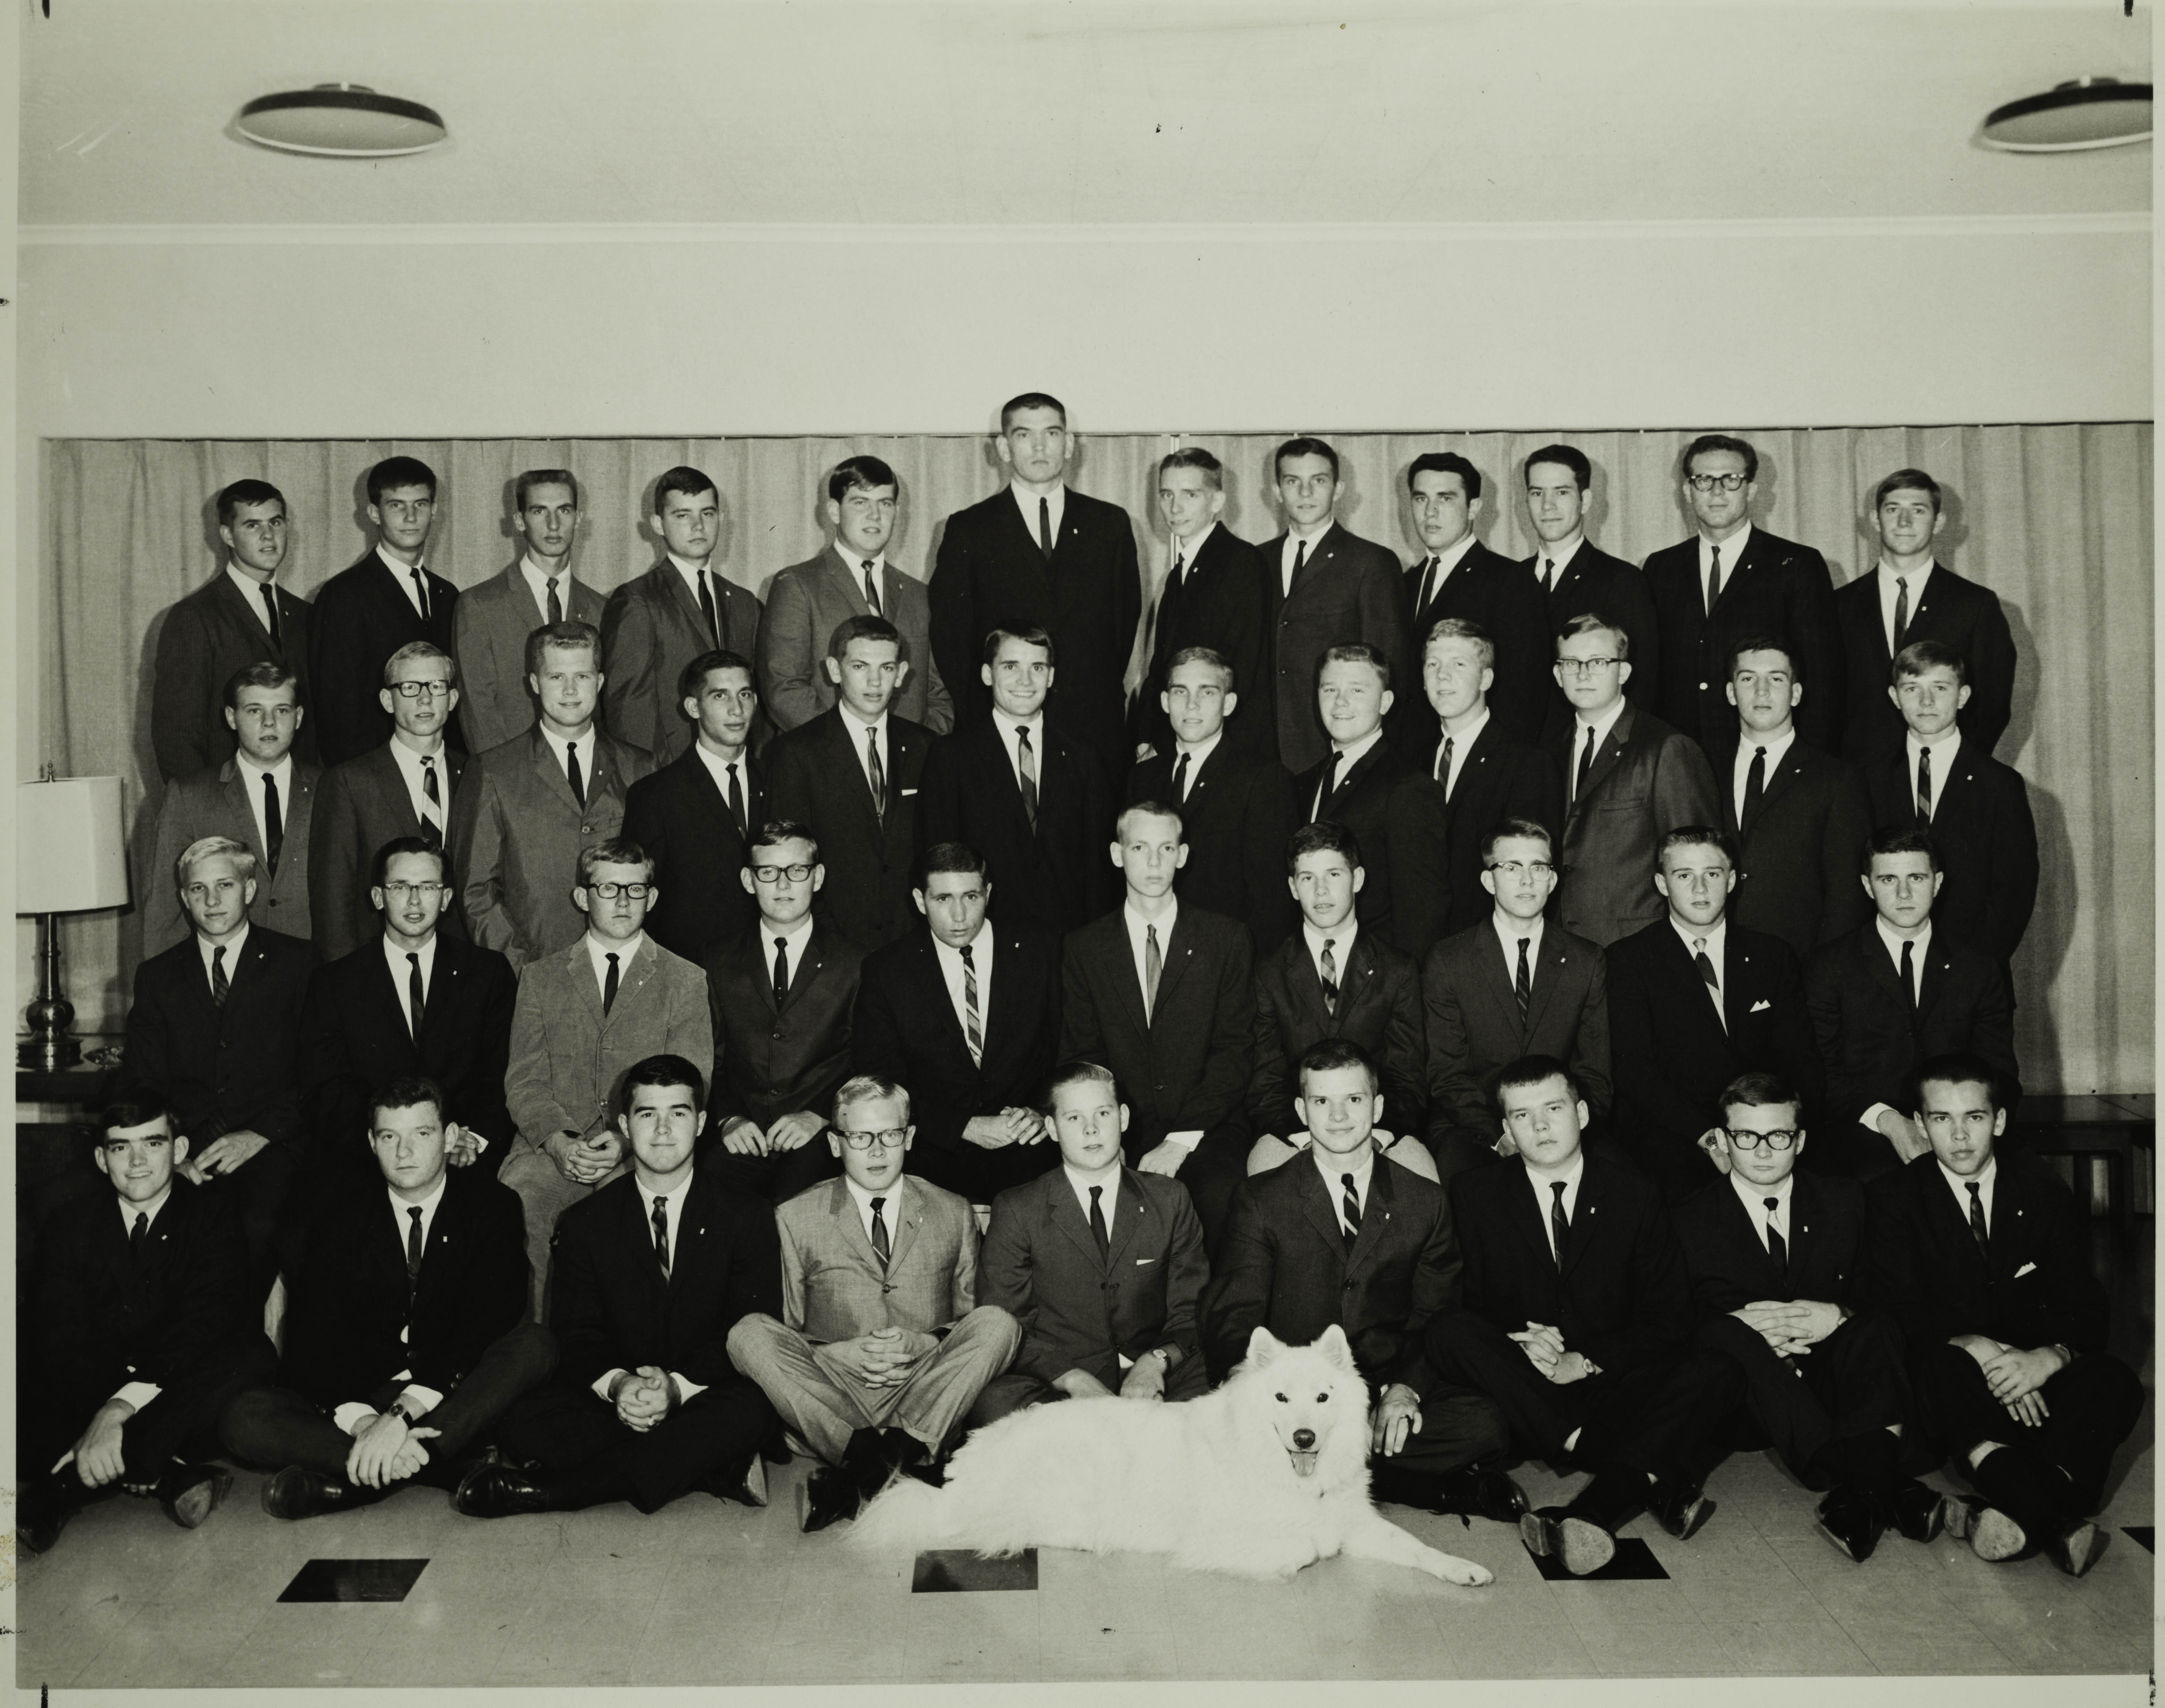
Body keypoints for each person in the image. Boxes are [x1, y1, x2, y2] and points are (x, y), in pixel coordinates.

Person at [1426, 1057, 1744, 1576]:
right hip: (1525, 1388)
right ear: (1504, 1129)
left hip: (1609, 1382)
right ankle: (1620, 1463)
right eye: (1521, 1116)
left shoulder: (1634, 1191)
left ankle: (1588, 1511)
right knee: (1448, 1332)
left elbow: (1668, 1317)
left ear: (1580, 1112)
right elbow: (1464, 1306)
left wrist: (1587, 1360)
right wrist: (1519, 1340)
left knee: (1720, 1370)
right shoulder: (1473, 1194)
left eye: (1552, 1109)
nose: (1540, 1126)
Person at [1202, 1040, 1523, 1523]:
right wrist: (1252, 1391)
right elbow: (1236, 1312)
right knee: (1228, 1422)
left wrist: (1404, 1391)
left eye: (1352, 1100)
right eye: (1321, 1101)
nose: (1337, 1117)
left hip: (1380, 1383)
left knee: (1487, 1424)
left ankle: (1316, 1473)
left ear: (1376, 1106)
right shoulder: (1260, 1199)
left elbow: (1435, 1315)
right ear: (1300, 1110)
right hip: (1295, 1394)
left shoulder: (1424, 1202)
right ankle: (1428, 1489)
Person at [460, 1056, 783, 1518]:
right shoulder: (584, 1223)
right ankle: (708, 1469)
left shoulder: (746, 1215)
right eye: (648, 1114)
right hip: (619, 1403)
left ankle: (558, 1491)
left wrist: (675, 1388)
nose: (664, 1129)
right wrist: (622, 1386)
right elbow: (575, 1337)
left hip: (702, 1393)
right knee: (524, 1416)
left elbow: (752, 1325)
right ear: (625, 1126)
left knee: (753, 1408)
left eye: (679, 1112)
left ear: (702, 1123)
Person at [220, 1077, 554, 1518]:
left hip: (448, 1392)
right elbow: (311, 1337)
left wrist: (399, 1419)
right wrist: (365, 1424)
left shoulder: (493, 1205)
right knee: (244, 1417)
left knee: (535, 1345)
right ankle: (430, 1465)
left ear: (450, 1138)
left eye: (421, 1134)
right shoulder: (339, 1215)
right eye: (389, 1137)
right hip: (368, 1390)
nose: (404, 1152)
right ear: (371, 1144)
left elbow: (483, 1325)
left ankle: (360, 1480)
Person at [1869, 1055, 2145, 1576]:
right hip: (1957, 1382)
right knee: (1941, 1367)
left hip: (2032, 1376)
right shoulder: (1892, 1200)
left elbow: (2082, 1301)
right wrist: (1974, 1345)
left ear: (1997, 1120)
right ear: (1920, 1123)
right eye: (1939, 1119)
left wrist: (2049, 1356)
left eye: (1972, 1117)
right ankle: (2056, 1519)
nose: (1957, 1136)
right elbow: (1894, 1310)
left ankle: (2012, 1502)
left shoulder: (2041, 1191)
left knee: (2113, 1380)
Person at [727, 1074, 1022, 1532]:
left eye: (889, 1135)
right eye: (860, 1137)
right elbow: (786, 1326)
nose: (877, 1151)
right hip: (837, 1390)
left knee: (1000, 1324)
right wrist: (832, 1352)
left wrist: (923, 1345)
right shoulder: (794, 1215)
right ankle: (895, 1456)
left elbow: (970, 1319)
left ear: (909, 1138)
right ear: (834, 1144)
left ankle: (864, 1468)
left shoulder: (952, 1209)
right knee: (747, 1334)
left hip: (924, 1385)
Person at [1672, 1073, 1944, 1564]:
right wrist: (1746, 1336)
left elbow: (1891, 1297)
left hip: (1829, 1383)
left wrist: (1837, 1314)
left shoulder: (1848, 1201)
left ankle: (1861, 1492)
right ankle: (1878, 1483)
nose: (1761, 1151)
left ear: (1798, 1140)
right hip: (1749, 1404)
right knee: (1719, 1331)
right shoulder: (1685, 1219)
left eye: (1777, 1136)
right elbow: (1671, 1322)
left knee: (1876, 1327)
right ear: (1721, 1139)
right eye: (1744, 1137)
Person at [17, 1093, 278, 1555]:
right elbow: (60, 1338)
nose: (137, 1162)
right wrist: (105, 1409)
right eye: (121, 1148)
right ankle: (162, 1468)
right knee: (26, 1388)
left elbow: (201, 1329)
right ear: (101, 1159)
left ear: (178, 1152)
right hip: (94, 1387)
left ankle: (65, 1488)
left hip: (171, 1381)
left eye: (152, 1144)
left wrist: (118, 1413)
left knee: (248, 1357)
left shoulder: (213, 1216)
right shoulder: (67, 1224)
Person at [499, 836, 713, 1313]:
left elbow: (691, 1081)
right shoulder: (541, 977)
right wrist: (558, 1142)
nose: (621, 901)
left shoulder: (685, 980)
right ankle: (531, 1347)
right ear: (582, 897)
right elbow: (524, 1080)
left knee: (632, 1224)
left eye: (635, 890)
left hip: (641, 1149)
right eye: (607, 889)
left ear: (652, 899)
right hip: (552, 1148)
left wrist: (624, 1142)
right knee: (519, 1205)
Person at [1061, 802, 1256, 1250]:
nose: (1153, 862)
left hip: (1207, 1126)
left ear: (1182, 855)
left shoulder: (1224, 940)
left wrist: (1179, 1141)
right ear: (1116, 854)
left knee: (1216, 1196)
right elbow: (1082, 1055)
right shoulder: (1085, 947)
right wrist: (1110, 1132)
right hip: (1121, 1127)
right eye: (1139, 847)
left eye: (1165, 848)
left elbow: (1234, 1052)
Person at [121, 836, 312, 1294]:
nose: (211, 901)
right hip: (188, 1149)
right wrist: (170, 1153)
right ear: (183, 897)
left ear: (248, 889)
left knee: (255, 1226)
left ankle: (238, 1352)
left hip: (270, 1144)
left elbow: (317, 1073)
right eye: (197, 889)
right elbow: (143, 1081)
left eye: (224, 885)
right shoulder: (158, 976)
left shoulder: (298, 963)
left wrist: (260, 1135)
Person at [972, 1060, 1211, 1424]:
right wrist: (1072, 1379)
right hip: (1060, 1380)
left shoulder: (1170, 1198)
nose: (1091, 1129)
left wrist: (1155, 1363)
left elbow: (1190, 1308)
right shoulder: (1018, 1208)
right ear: (1052, 1128)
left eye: (1103, 1112)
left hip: (1152, 1373)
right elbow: (1007, 1322)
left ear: (1124, 1117)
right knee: (995, 1404)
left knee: (1221, 1389)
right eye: (1073, 1118)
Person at [1604, 829, 1822, 1203]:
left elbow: (1800, 1059)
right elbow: (1635, 1071)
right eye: (1684, 875)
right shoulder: (1629, 960)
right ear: (1661, 883)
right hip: (1678, 1129)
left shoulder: (1772, 955)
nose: (1701, 889)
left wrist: (1773, 1132)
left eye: (1713, 874)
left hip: (1766, 1123)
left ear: (1733, 880)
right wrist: (1707, 1137)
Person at [927, 391, 1142, 767]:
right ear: (1004, 447)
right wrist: (985, 712)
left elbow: (1123, 626)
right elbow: (952, 637)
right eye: (1025, 435)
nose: (1040, 446)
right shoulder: (969, 529)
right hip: (1001, 726)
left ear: (1070, 443)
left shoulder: (1109, 525)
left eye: (1052, 434)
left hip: (1092, 730)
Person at [853, 842, 1062, 1207]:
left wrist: (1043, 1111)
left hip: (1032, 1148)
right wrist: (964, 1126)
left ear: (989, 893)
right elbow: (881, 1079)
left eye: (970, 896)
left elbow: (1066, 1048)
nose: (960, 915)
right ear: (920, 901)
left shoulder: (1042, 953)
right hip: (935, 1158)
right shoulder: (887, 971)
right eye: (943, 899)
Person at [1803, 830, 2021, 1179]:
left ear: (1937, 883)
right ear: (1867, 885)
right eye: (1888, 879)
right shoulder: (1829, 966)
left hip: (1960, 1129)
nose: (1903, 894)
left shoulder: (1978, 966)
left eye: (1916, 878)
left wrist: (1953, 1126)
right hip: (1864, 1128)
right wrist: (1889, 1122)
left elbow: (1999, 1071)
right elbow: (1821, 1074)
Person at [298, 837, 516, 1180]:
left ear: (446, 899)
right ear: (377, 897)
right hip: (369, 1159)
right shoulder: (335, 983)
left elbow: (501, 1074)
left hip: (463, 1155)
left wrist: (470, 1137)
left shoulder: (488, 973)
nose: (415, 901)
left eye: (428, 887)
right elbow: (327, 1090)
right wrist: (387, 1144)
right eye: (400, 886)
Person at [454, 620, 654, 972]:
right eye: (556, 677)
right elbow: (477, 891)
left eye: (583, 676)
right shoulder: (493, 771)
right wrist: (524, 972)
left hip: (628, 972)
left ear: (601, 681)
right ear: (534, 683)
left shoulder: (640, 767)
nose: (571, 690)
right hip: (534, 969)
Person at [1422, 819, 1611, 1185]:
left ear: (1552, 881)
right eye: (1512, 867)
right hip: (1477, 1127)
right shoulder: (1448, 960)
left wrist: (1557, 1127)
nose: (1527, 880)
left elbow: (1596, 1074)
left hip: (1563, 1126)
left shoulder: (1587, 960)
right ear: (1489, 881)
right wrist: (1503, 1134)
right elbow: (1447, 1075)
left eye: (1538, 868)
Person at [1641, 435, 1843, 758]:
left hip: (1765, 755)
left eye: (1731, 480)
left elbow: (1820, 676)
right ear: (1687, 491)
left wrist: (1808, 763)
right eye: (1704, 480)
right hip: (1678, 758)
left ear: (1751, 489)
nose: (1717, 491)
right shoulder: (1661, 568)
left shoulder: (1795, 565)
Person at [1247, 823, 1427, 1171]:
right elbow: (1263, 1079)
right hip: (1295, 1134)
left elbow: (1408, 1078)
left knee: (1423, 1187)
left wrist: (1374, 1135)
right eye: (1307, 878)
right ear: (1292, 887)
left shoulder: (1397, 968)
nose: (1321, 890)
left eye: (1333, 873)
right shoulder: (1268, 971)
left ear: (1357, 879)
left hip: (1378, 1131)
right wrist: (1305, 1137)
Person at [916, 624, 1116, 937]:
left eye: (1037, 667)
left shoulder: (1083, 758)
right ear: (987, 674)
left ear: (1051, 677)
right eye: (1011, 667)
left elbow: (1097, 867)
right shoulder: (951, 756)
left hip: (1067, 940)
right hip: (988, 939)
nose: (1025, 681)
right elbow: (940, 863)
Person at [702, 821, 864, 1203]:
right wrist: (729, 1118)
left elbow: (867, 1061)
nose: (783, 885)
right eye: (768, 872)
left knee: (797, 1209)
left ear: (818, 876)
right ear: (748, 879)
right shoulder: (717, 960)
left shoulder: (855, 962)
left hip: (821, 1134)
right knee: (710, 1205)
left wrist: (823, 1115)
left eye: (797, 871)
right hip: (744, 1134)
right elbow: (710, 1057)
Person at [765, 614, 939, 956]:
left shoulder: (926, 747)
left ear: (902, 673)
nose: (875, 682)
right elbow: (789, 857)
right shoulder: (797, 752)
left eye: (887, 668)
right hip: (832, 944)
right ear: (834, 669)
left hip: (911, 939)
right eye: (860, 666)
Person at [1862, 639, 2039, 970]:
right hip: (1883, 976)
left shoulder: (1999, 785)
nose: (1926, 701)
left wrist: (1972, 972)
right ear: (1894, 697)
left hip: (1972, 974)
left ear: (1963, 696)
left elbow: (2014, 892)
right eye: (1912, 688)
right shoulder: (1867, 782)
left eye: (1940, 688)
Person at [1550, 612, 1719, 948]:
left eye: (1598, 662)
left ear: (1624, 671)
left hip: (1640, 950)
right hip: (1563, 950)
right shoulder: (1550, 751)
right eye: (1571, 663)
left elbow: (1697, 868)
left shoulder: (1665, 748)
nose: (1583, 674)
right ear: (1558, 674)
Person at [759, 454, 952, 734]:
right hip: (828, 762)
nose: (875, 516)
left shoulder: (919, 594)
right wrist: (850, 752)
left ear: (897, 511)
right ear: (834, 511)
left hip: (909, 766)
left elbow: (938, 693)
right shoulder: (798, 584)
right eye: (861, 502)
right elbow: (784, 689)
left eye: (885, 503)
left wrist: (921, 750)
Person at [1835, 469, 2017, 765]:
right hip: (1857, 778)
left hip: (1942, 774)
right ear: (1874, 519)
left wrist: (1956, 767)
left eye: (1917, 511)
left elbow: (1992, 703)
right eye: (1893, 509)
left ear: (1939, 522)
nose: (1904, 522)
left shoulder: (1974, 604)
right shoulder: (1839, 605)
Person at [308, 640, 473, 964]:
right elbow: (332, 901)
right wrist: (349, 979)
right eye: (410, 687)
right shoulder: (349, 782)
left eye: (437, 686)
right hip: (376, 964)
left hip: (461, 963)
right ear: (387, 700)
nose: (425, 698)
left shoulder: (475, 774)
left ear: (452, 699)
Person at [1124, 646, 1295, 955]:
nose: (1191, 705)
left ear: (1228, 704)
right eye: (1180, 692)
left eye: (1206, 693)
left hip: (1224, 960)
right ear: (1164, 701)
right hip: (1151, 954)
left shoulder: (1261, 778)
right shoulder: (1143, 777)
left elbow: (1271, 898)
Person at [1258, 435, 1409, 775]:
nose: (1306, 493)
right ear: (1277, 491)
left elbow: (1390, 669)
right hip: (1265, 752)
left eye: (1319, 481)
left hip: (1334, 747)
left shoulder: (1370, 562)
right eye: (1293, 481)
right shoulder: (1255, 561)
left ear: (1339, 489)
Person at [1292, 644, 1452, 961]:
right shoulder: (1304, 782)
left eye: (1357, 690)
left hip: (1375, 981)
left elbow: (1421, 916)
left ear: (1386, 702)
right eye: (1330, 689)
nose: (1340, 702)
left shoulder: (1408, 787)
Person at [151, 477, 317, 782]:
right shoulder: (193, 616)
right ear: (228, 535)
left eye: (276, 523)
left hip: (301, 801)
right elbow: (176, 735)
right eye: (253, 526)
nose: (269, 537)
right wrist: (203, 813)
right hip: (226, 801)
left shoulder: (307, 615)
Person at [1717, 636, 1873, 959]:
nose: (1762, 691)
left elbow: (1847, 896)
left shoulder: (1837, 779)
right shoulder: (1704, 768)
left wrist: (1823, 977)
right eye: (1748, 678)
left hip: (1799, 965)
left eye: (1776, 678)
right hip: (1717, 961)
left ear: (1796, 693)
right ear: (1731, 693)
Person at [146, 662, 319, 953]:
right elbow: (164, 909)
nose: (269, 722)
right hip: (226, 976)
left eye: (282, 710)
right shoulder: (189, 796)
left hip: (315, 973)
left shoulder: (330, 788)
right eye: (254, 710)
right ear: (232, 717)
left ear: (298, 717)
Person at [602, 465, 764, 766]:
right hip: (670, 772)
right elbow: (628, 711)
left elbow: (757, 700)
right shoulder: (638, 600)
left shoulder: (745, 603)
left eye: (707, 513)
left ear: (721, 519)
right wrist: (651, 784)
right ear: (658, 524)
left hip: (738, 770)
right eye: (682, 515)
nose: (698, 526)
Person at [309, 456, 463, 769]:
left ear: (434, 510)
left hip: (442, 773)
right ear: (374, 513)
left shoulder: (448, 594)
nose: (410, 517)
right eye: (397, 505)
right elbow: (337, 713)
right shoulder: (343, 595)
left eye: (420, 504)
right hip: (376, 778)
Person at [1414, 618, 1564, 939]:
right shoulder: (1411, 762)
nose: (1443, 675)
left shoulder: (1527, 764)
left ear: (1486, 678)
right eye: (1433, 664)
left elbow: (1530, 881)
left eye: (1459, 664)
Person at [621, 649, 765, 965]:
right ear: (693, 707)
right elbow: (641, 900)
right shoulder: (655, 796)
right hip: (693, 974)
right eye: (719, 696)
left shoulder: (778, 781)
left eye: (745, 694)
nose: (737, 709)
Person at [1128, 447, 1269, 763]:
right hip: (1182, 741)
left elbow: (1242, 667)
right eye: (1166, 495)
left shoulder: (1241, 562)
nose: (1175, 508)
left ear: (1216, 501)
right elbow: (1161, 666)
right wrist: (1146, 736)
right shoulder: (1178, 574)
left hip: (1220, 748)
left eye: (1190, 495)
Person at [1398, 453, 1549, 746]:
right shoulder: (1403, 584)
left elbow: (1523, 691)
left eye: (1445, 499)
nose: (1430, 512)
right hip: (1411, 762)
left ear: (1474, 508)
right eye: (1420, 499)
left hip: (1479, 760)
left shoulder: (1509, 579)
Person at [453, 468, 608, 752]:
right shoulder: (480, 604)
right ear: (519, 521)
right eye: (539, 511)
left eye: (564, 510)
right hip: (511, 778)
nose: (553, 524)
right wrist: (506, 783)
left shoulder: (601, 608)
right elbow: (478, 709)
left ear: (579, 518)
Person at [1519, 445, 1659, 737]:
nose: (1547, 505)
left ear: (1585, 500)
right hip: (1517, 754)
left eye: (1561, 492)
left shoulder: (1622, 580)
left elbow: (1641, 682)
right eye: (1537, 493)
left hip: (1588, 749)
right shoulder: (1510, 579)